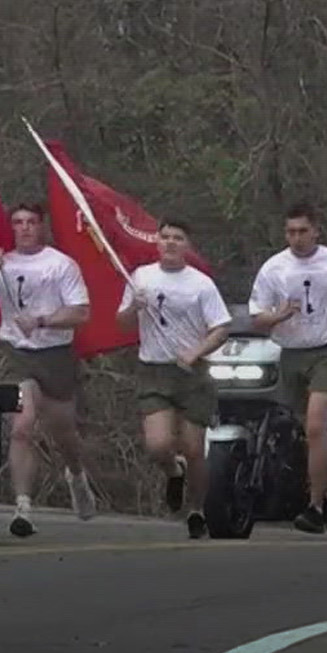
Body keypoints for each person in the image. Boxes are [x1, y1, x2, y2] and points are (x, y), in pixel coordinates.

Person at [0, 201, 95, 535]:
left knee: (64, 433)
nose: (24, 228)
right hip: (16, 353)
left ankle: (76, 475)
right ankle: (23, 507)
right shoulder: (2, 263)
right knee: (22, 427)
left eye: (31, 222)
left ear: (42, 225)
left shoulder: (61, 265)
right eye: (18, 222)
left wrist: (42, 320)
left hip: (54, 354)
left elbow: (81, 312)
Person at [247, 202, 327, 535]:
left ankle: (314, 508)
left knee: (317, 425)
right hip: (292, 353)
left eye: (303, 231)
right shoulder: (274, 268)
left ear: (316, 230)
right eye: (291, 231)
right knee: (309, 433)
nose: (297, 238)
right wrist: (279, 315)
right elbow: (258, 319)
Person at [115, 217, 231, 538]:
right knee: (158, 445)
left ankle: (196, 509)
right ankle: (172, 470)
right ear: (157, 242)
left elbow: (221, 328)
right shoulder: (142, 278)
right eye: (164, 237)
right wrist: (132, 307)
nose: (169, 243)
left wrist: (196, 352)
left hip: (192, 374)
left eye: (177, 238)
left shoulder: (201, 284)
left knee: (194, 449)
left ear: (187, 245)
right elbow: (123, 323)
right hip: (154, 370)